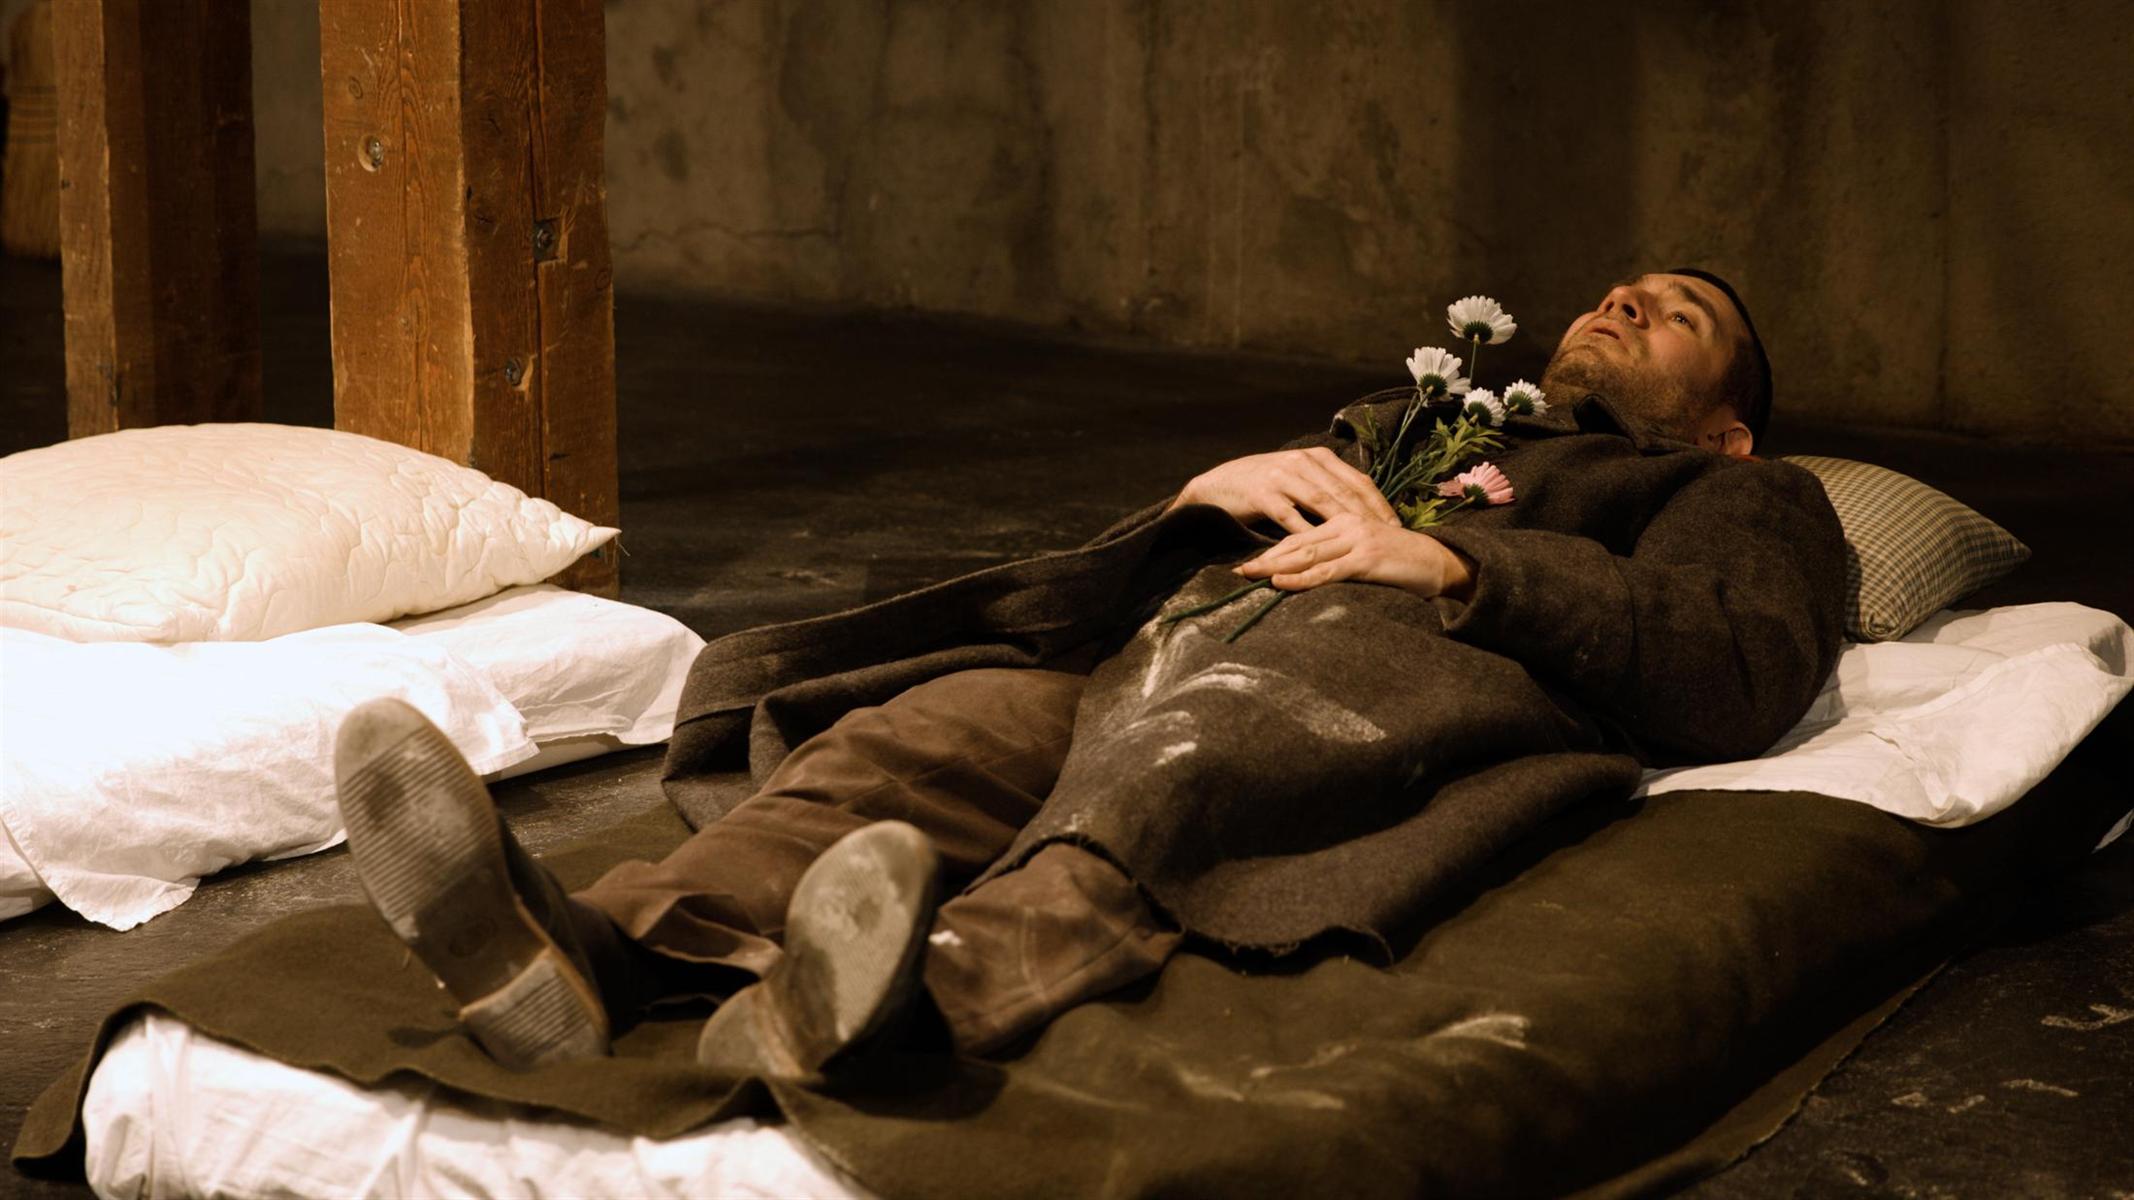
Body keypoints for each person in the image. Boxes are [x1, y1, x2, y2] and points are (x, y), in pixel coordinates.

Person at [333, 268, 1845, 1083]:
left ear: (1727, 429)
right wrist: (1196, 502)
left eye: (1680, 316)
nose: (1625, 303)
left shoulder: (1741, 496)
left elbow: (1740, 667)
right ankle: (591, 948)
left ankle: (916, 998)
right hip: (1188, 646)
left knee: (1179, 772)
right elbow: (1169, 577)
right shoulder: (1425, 426)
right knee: (928, 734)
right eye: (1621, 290)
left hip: (1407, 693)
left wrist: (1453, 566)